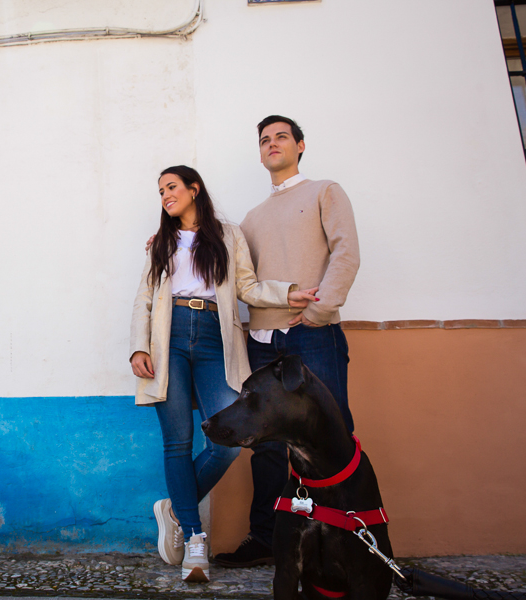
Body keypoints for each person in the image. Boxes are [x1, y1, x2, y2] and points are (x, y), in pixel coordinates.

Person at [129, 165, 318, 583]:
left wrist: (287, 293)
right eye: (160, 190)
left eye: (172, 187)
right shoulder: (160, 242)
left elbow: (248, 288)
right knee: (177, 441)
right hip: (169, 337)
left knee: (229, 441)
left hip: (217, 337)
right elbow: (144, 298)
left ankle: (176, 507)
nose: (165, 195)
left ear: (194, 189)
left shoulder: (228, 235)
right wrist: (139, 347)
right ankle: (195, 541)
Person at [212, 115, 360, 569]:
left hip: (313, 337)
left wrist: (318, 313)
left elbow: (346, 253)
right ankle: (267, 539)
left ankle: (348, 537)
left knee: (331, 436)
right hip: (261, 342)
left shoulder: (325, 191)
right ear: (260, 153)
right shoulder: (251, 219)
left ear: (299, 145)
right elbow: (242, 278)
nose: (272, 144)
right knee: (267, 446)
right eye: (264, 140)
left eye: (281, 137)